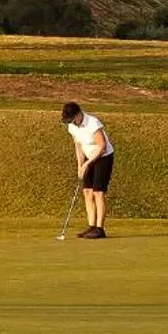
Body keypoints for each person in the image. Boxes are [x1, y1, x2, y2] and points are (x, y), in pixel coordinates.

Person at [61, 101, 114, 239]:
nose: (71, 123)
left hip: (103, 158)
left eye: (72, 119)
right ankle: (91, 227)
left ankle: (99, 229)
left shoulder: (92, 123)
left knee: (98, 193)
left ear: (78, 114)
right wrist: (80, 165)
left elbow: (102, 147)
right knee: (87, 192)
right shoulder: (72, 127)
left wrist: (87, 163)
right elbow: (78, 146)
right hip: (88, 159)